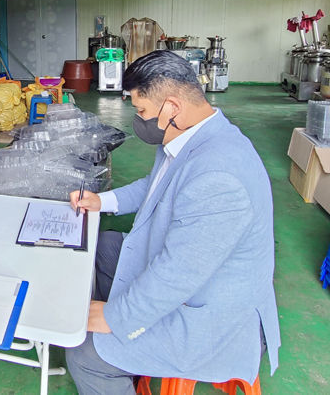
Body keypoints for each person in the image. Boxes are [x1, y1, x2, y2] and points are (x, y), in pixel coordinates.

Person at [66, 50, 281, 394]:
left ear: (171, 107)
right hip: (192, 276)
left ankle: (118, 347)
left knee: (85, 353)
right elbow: (155, 184)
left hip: (213, 318)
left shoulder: (219, 177)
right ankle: (124, 336)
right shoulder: (195, 134)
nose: (138, 120)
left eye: (142, 111)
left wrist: (115, 317)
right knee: (104, 246)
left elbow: (177, 274)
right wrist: (101, 202)